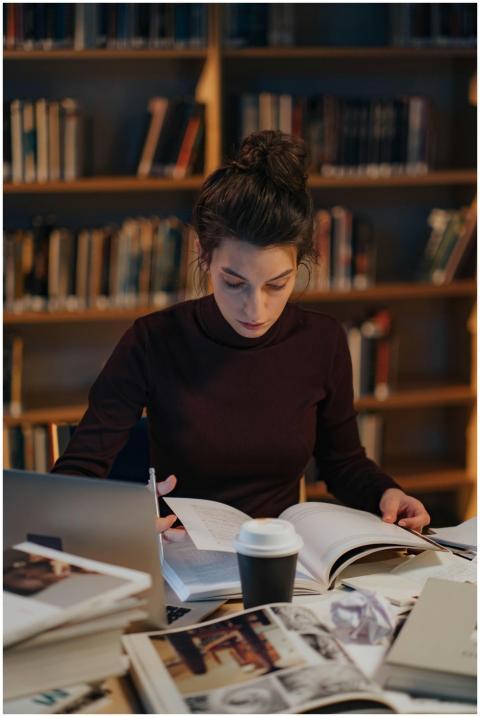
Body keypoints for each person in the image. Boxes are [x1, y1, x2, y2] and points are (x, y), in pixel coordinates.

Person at [52, 130, 430, 537]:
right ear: (203, 254)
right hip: (182, 556)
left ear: (299, 264)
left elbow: (342, 463)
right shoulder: (153, 340)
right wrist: (121, 516)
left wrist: (386, 493)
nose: (256, 309)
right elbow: (77, 472)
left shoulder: (323, 341)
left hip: (279, 556)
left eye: (277, 284)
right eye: (234, 283)